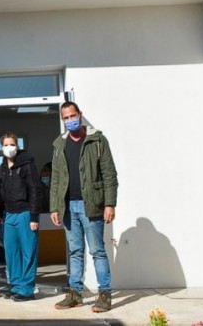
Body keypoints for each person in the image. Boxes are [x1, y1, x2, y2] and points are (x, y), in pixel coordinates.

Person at [50, 102, 119, 312]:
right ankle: (75, 294)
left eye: (73, 116)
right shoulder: (60, 144)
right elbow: (56, 178)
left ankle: (104, 294)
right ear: (62, 120)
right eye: (66, 117)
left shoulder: (97, 140)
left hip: (91, 204)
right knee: (75, 252)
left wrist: (109, 203)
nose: (70, 120)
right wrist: (54, 207)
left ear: (80, 115)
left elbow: (109, 174)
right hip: (68, 206)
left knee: (97, 251)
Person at [0, 132, 44, 302]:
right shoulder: (2, 167)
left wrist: (34, 217)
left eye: (12, 144)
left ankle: (27, 289)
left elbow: (35, 190)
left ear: (17, 146)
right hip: (9, 215)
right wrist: (0, 214)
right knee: (11, 252)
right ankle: (16, 286)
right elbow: (2, 191)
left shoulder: (27, 165)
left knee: (28, 252)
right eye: (6, 145)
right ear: (1, 147)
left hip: (25, 213)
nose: (9, 147)